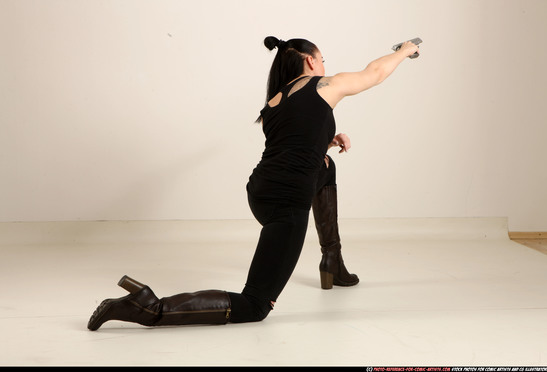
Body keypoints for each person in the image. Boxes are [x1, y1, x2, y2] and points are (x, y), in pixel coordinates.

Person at [87, 36, 419, 330]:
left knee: (325, 165)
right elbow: (374, 73)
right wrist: (404, 51)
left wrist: (326, 142)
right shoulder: (323, 85)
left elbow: (290, 144)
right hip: (286, 204)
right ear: (309, 61)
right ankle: (150, 307)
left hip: (260, 190)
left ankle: (333, 260)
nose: (324, 66)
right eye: (322, 60)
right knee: (255, 305)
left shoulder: (274, 103)